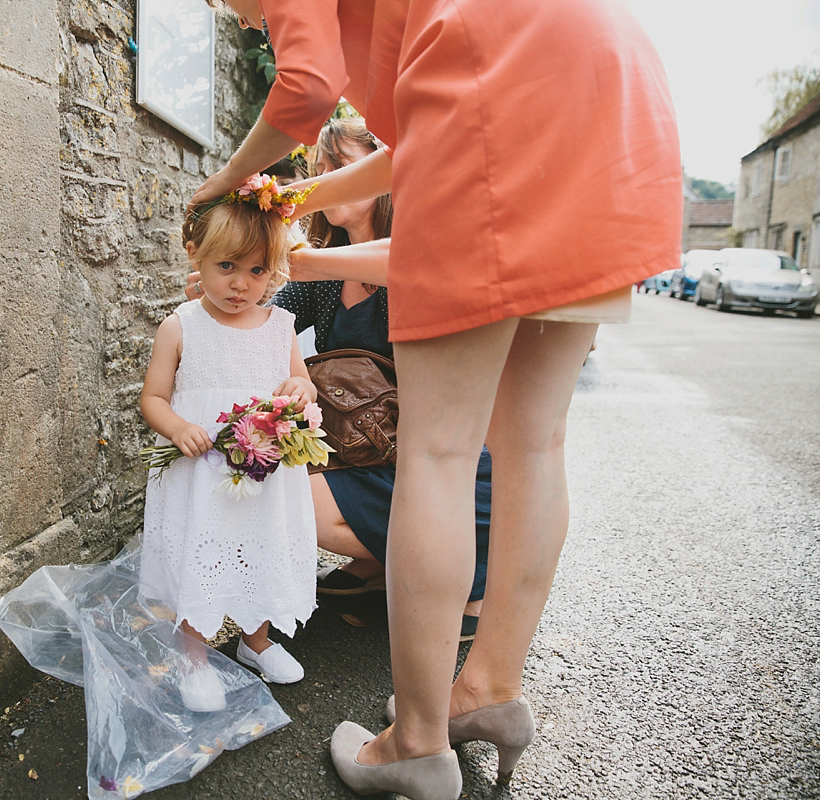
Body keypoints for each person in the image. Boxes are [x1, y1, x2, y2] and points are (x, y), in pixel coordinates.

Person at [195, 2, 682, 797]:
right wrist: (296, 198)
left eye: (237, 7)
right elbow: (414, 149)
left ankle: (417, 743)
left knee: (440, 449)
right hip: (608, 79)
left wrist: (224, 181)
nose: (249, 24)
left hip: (496, 82)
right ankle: (488, 688)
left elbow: (308, 83)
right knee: (534, 442)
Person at [187, 117, 490, 636]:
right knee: (260, 474)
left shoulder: (413, 249)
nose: (324, 179)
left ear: (381, 176)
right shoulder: (322, 277)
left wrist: (304, 262)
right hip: (368, 447)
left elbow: (428, 273)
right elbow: (263, 324)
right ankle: (377, 565)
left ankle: (468, 581)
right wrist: (222, 293)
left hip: (440, 459)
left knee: (286, 499)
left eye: (341, 168)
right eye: (319, 168)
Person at [139, 178, 319, 713]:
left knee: (260, 549)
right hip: (202, 473)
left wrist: (299, 389)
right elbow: (153, 397)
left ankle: (255, 639)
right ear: (197, 254)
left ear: (275, 269)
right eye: (227, 267)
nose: (242, 285)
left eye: (258, 270)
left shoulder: (279, 326)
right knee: (207, 552)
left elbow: (303, 384)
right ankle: (194, 653)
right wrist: (175, 427)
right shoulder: (181, 326)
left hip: (264, 473)